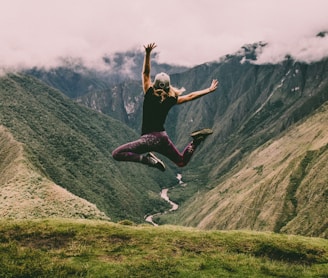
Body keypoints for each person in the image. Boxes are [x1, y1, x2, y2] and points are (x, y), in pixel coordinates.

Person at [112, 43, 218, 171]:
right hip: (162, 138)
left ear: (154, 84)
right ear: (168, 87)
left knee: (117, 154)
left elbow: (146, 73)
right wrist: (208, 90)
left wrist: (147, 54)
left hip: (149, 140)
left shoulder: (149, 93)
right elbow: (190, 96)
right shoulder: (171, 99)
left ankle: (148, 160)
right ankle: (195, 141)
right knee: (181, 162)